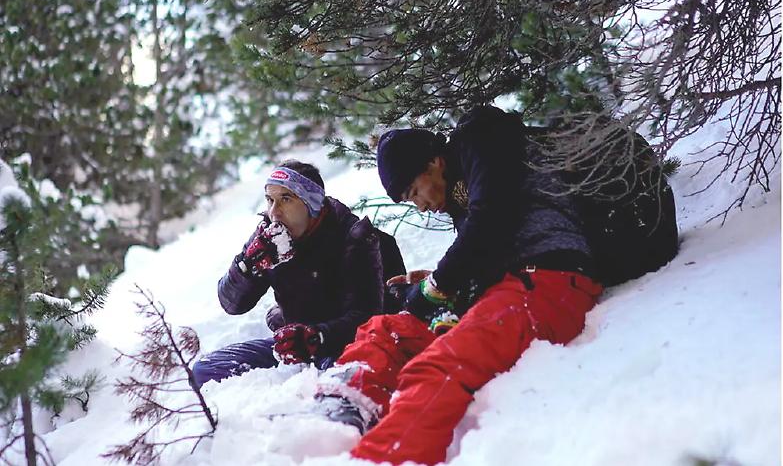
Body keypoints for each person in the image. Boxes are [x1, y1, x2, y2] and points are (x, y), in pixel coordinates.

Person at [312, 106, 604, 465]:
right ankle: (333, 420)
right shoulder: (463, 192)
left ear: (434, 162)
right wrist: (432, 286)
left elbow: (493, 219)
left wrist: (436, 286)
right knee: (385, 329)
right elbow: (486, 249)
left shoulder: (484, 138)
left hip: (549, 281)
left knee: (436, 367)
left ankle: (379, 459)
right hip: (510, 288)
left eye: (414, 191)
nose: (419, 205)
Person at [191, 160, 406, 388]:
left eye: (286, 199)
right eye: (270, 200)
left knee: (338, 384)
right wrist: (247, 266)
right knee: (205, 369)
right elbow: (232, 304)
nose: (274, 211)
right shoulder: (270, 235)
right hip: (295, 346)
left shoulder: (355, 237)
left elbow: (367, 318)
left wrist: (316, 337)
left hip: (342, 346)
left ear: (311, 204)